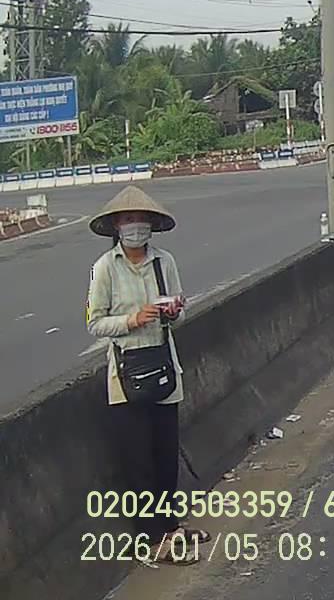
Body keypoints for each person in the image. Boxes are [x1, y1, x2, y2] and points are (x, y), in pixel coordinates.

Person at [86, 185, 206, 565]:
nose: (135, 226)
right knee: (139, 462)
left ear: (151, 225)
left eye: (140, 219)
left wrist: (173, 311)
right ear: (116, 226)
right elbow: (95, 323)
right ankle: (151, 538)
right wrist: (132, 320)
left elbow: (180, 313)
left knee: (166, 456)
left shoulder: (164, 262)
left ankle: (169, 527)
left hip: (165, 368)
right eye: (128, 219)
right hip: (126, 376)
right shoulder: (105, 268)